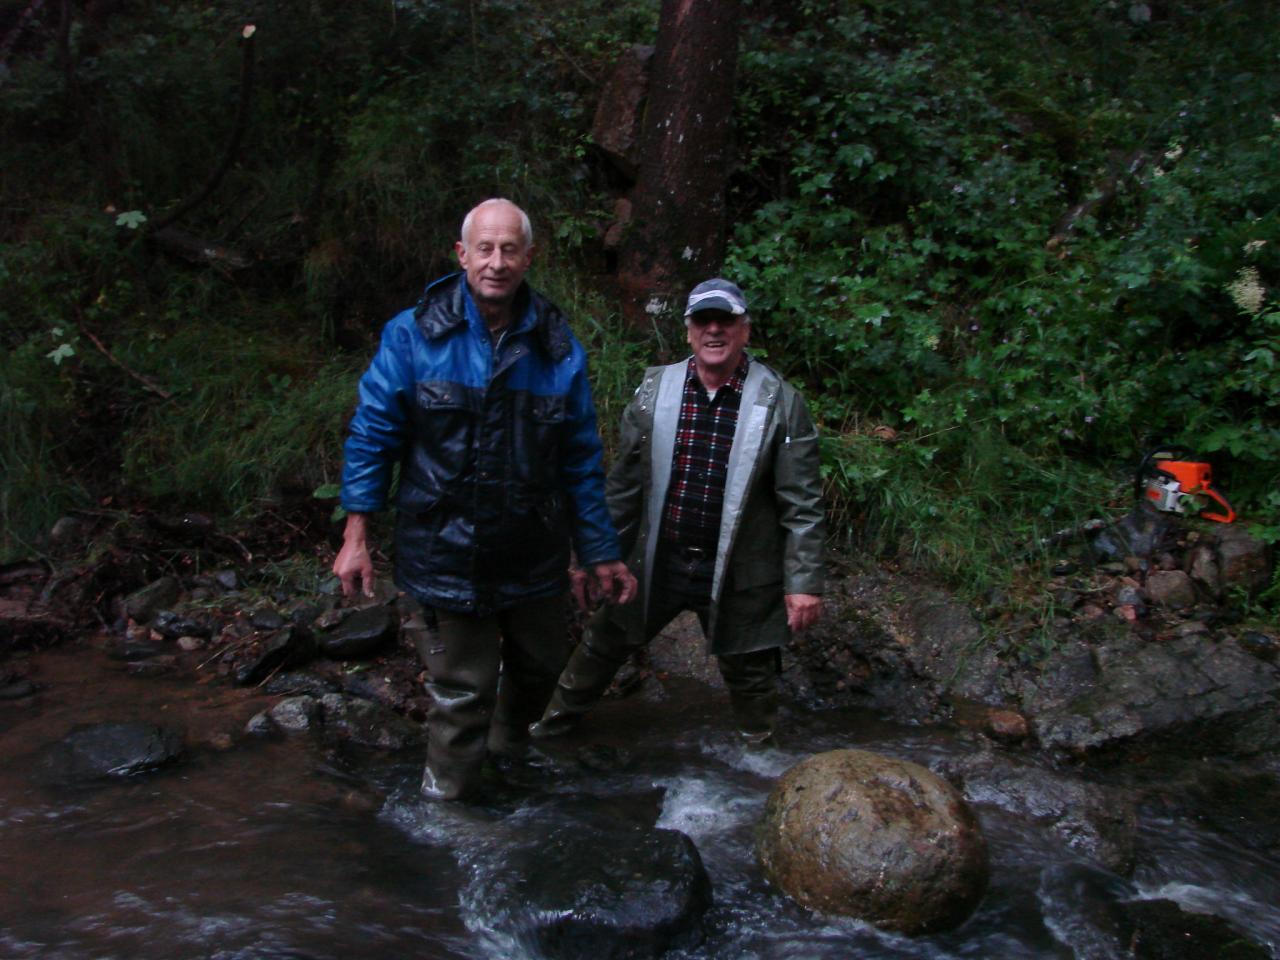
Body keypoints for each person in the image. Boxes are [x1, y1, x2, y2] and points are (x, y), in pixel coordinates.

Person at [332, 198, 636, 800]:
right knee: (464, 691)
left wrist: (599, 551)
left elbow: (578, 457)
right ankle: (449, 817)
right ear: (463, 255)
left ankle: (504, 762)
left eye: (509, 249)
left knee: (539, 671)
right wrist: (356, 534)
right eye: (485, 249)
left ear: (529, 257)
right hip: (444, 549)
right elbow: (372, 434)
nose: (496, 262)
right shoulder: (414, 334)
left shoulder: (556, 346)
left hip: (532, 552)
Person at [532, 278, 825, 746]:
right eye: (703, 321)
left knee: (751, 674)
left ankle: (762, 765)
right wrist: (597, 554)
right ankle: (546, 737)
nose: (714, 330)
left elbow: (803, 503)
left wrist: (803, 583)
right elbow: (624, 486)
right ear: (688, 330)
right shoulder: (654, 390)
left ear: (744, 330)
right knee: (601, 645)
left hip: (738, 570)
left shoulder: (782, 403)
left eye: (725, 321)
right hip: (658, 558)